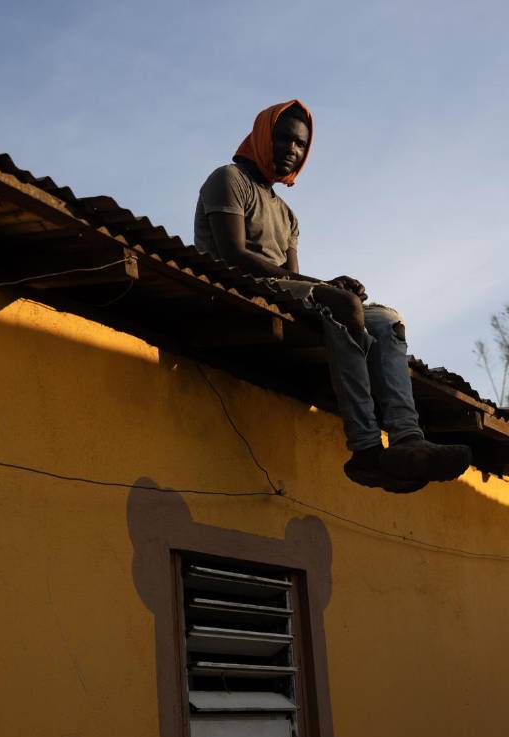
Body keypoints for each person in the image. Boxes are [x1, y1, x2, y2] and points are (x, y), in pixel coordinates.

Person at [194, 101, 472, 493]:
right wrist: (329, 289)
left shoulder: (288, 215)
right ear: (261, 135)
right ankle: (365, 447)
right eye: (283, 137)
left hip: (278, 289)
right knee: (344, 305)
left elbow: (291, 278)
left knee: (386, 318)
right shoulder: (229, 179)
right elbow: (233, 253)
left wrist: (331, 285)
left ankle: (408, 438)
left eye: (301, 144)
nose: (292, 149)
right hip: (236, 285)